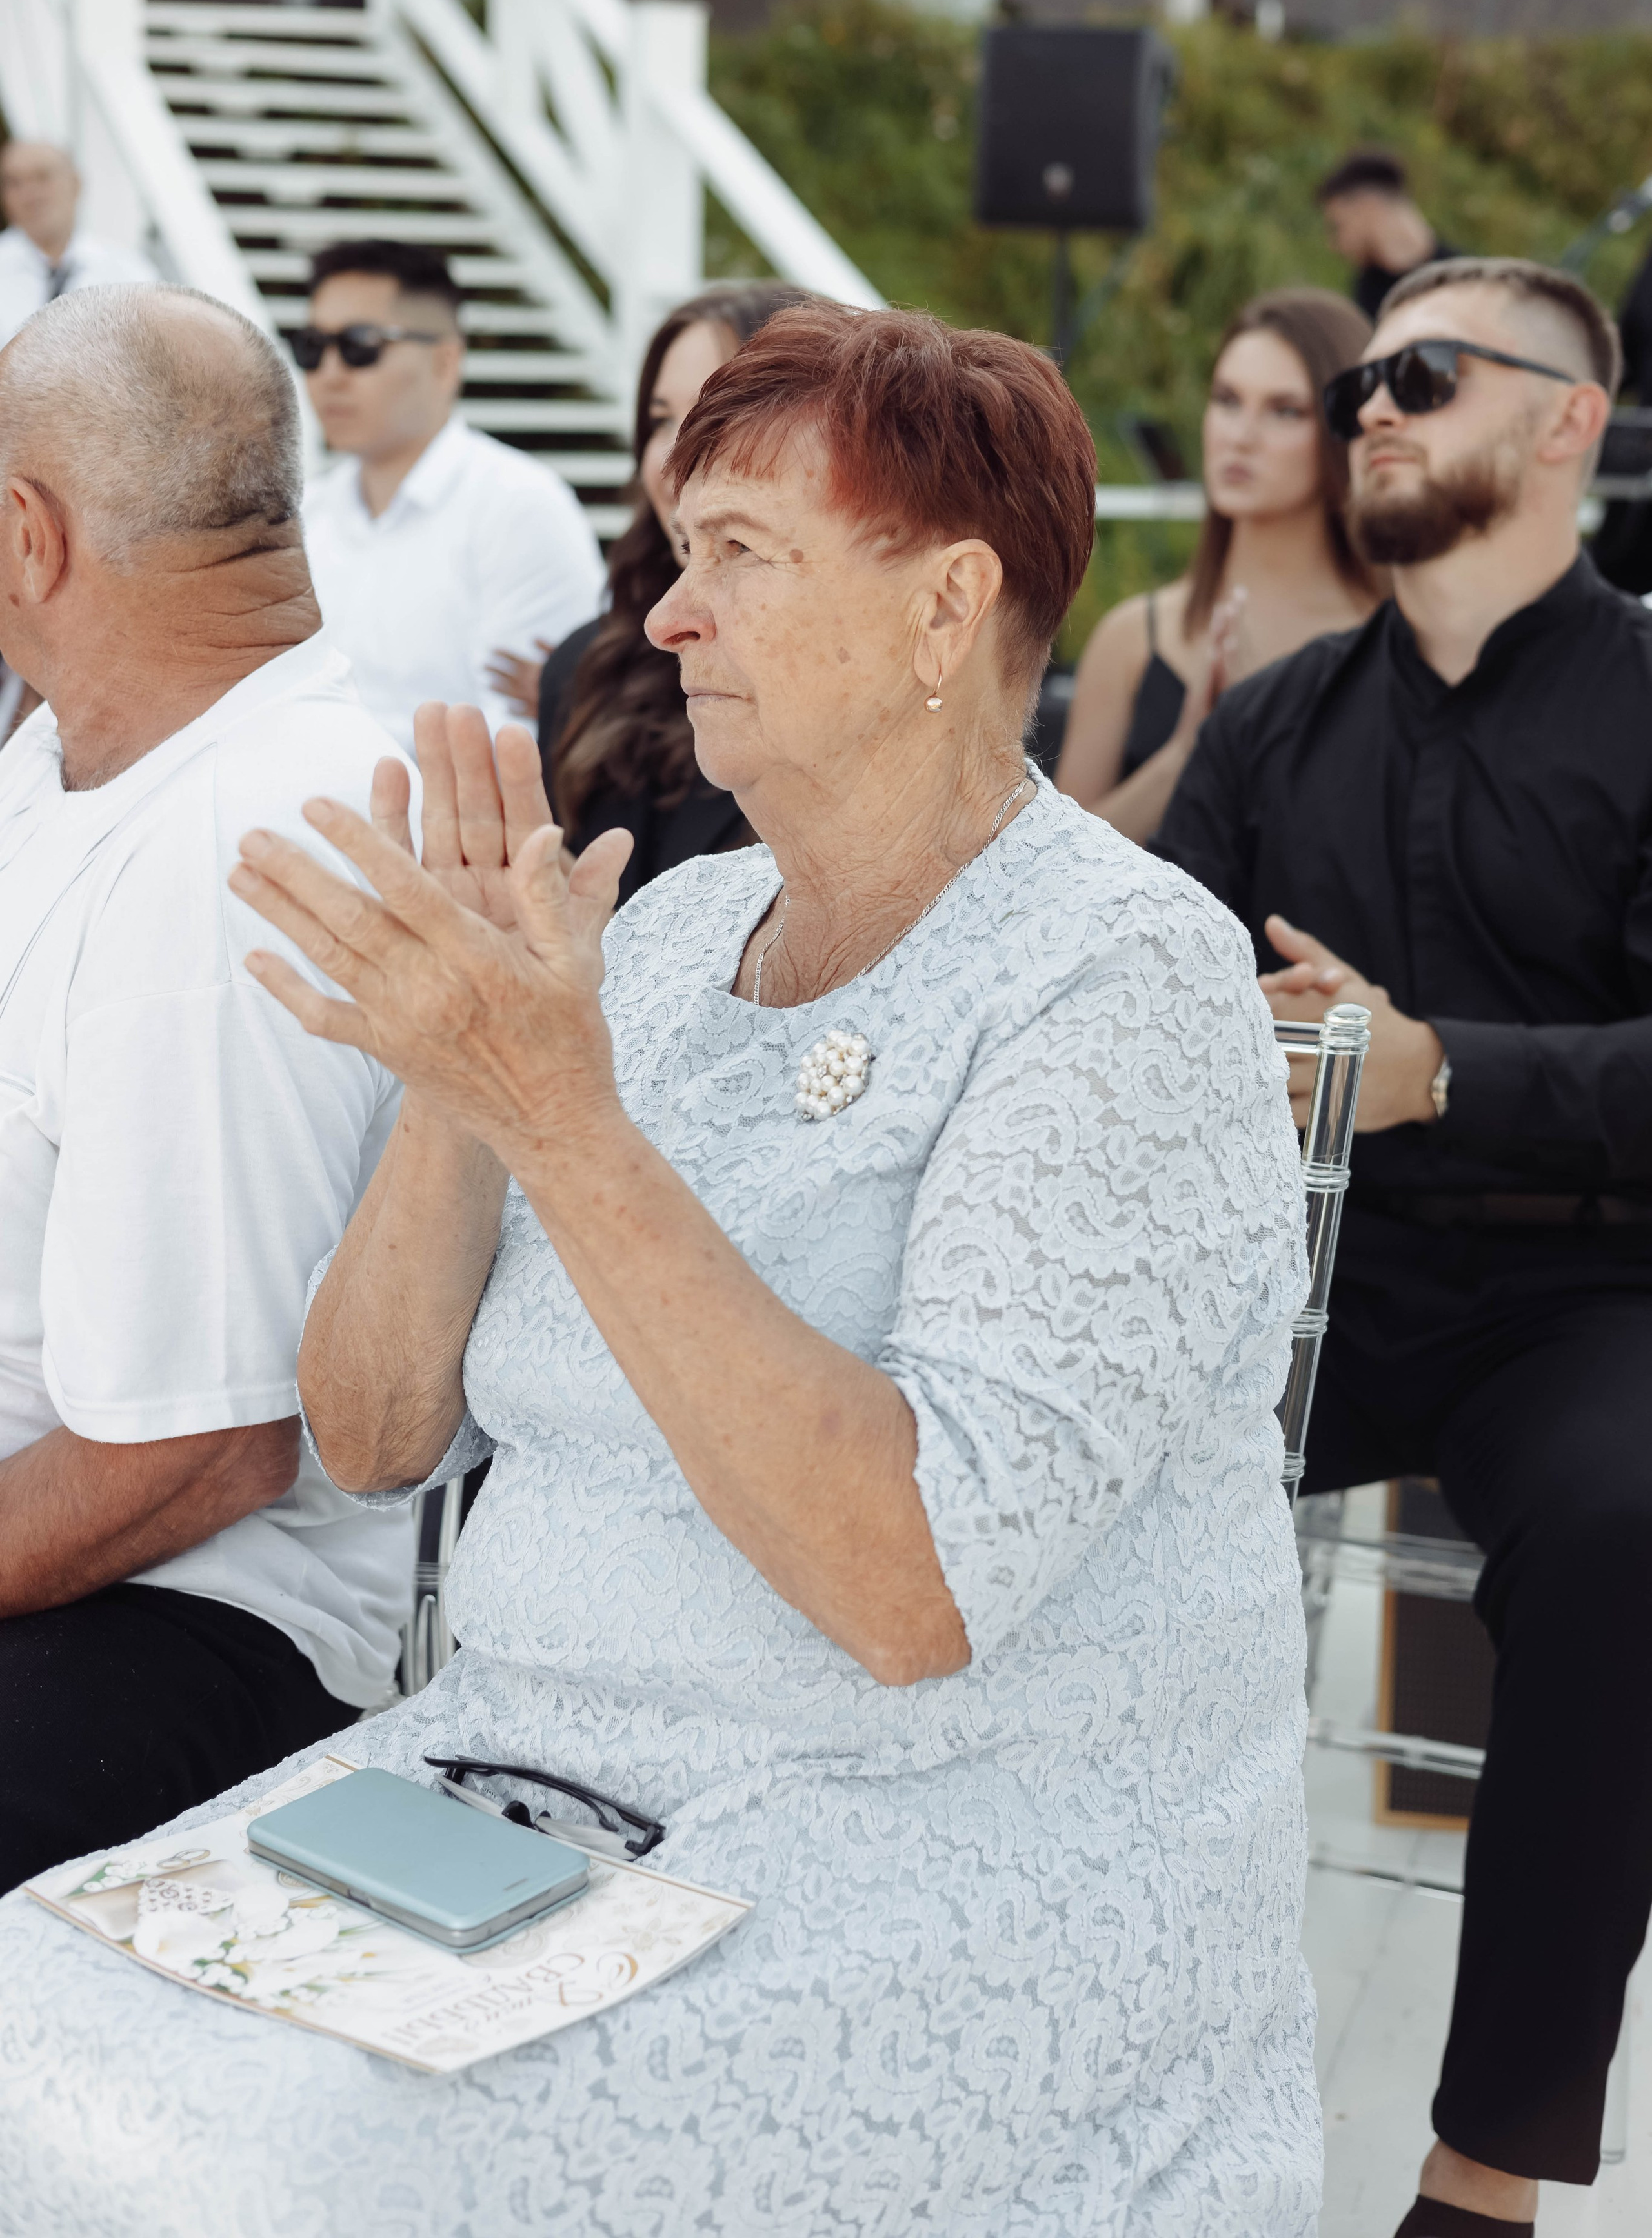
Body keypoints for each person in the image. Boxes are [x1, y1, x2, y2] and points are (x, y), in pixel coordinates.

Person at [0, 305, 1321, 2232]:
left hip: (927, 1843)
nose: (674, 616)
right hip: (517, 1792)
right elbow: (368, 1437)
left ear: (947, 610)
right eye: (681, 549)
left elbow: (909, 1584)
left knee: (297, 2150)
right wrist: (457, 1082)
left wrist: (559, 1113)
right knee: (36, 1997)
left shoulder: (1119, 974)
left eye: (743, 557)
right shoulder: (672, 926)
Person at [1155, 257, 1647, 2232]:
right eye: (1362, 374)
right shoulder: (1271, 725)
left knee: (1629, 1519)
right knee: (1058, 1462)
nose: (1366, 405)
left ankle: (1482, 2173)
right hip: (1301, 1284)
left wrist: (1435, 1071)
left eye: (1419, 374)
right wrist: (1231, 1040)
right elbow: (1138, 989)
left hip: (1586, 1286)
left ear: (1564, 423)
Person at [0, 284, 418, 1892]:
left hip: (189, 1623)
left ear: (30, 537)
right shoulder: (80, 756)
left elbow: (199, 1450)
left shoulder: (236, 841)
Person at [1056, 287, 1381, 843]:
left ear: (1344, 428)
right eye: (1227, 400)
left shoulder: (1393, 638)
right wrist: (1187, 753)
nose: (1241, 436)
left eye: (1285, 410)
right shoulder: (1134, 638)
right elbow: (1053, 876)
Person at [533, 281, 810, 906]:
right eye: (660, 421)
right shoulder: (586, 668)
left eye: (714, 415)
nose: (673, 460)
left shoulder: (843, 673)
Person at [298, 239, 605, 757]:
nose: (329, 374)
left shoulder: (520, 507)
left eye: (360, 345)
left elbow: (525, 740)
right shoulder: (306, 514)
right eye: (310, 347)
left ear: (444, 363)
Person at [0, 139, 157, 345]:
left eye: (43, 177)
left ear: (75, 183)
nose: (30, 195)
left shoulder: (130, 274)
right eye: (14, 183)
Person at [1318, 148, 1460, 322]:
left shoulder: (1464, 281)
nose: (1335, 244)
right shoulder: (1367, 294)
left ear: (1368, 207)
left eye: (1339, 226)